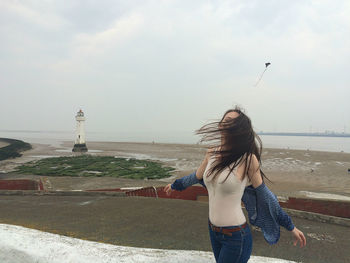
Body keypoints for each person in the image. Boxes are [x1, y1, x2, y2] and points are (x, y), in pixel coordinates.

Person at [164, 107, 306, 263]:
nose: (226, 124)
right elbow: (196, 177)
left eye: (232, 122)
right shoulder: (212, 153)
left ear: (239, 129)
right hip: (214, 232)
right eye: (225, 120)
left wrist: (290, 226)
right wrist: (176, 185)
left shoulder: (247, 159)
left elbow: (266, 196)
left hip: (236, 236)